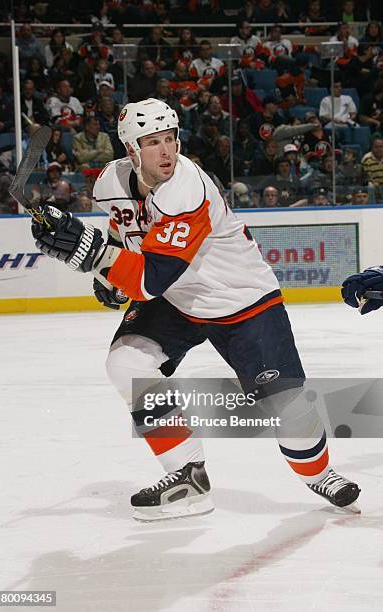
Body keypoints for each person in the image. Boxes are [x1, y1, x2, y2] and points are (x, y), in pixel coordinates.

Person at [31, 98, 360, 521]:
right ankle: (188, 478)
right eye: (153, 142)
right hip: (179, 301)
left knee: (288, 406)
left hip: (240, 298)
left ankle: (320, 472)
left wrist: (89, 253)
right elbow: (124, 233)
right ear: (132, 149)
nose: (167, 151)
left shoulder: (188, 188)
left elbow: (151, 280)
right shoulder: (110, 182)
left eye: (170, 139)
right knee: (126, 363)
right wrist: (104, 273)